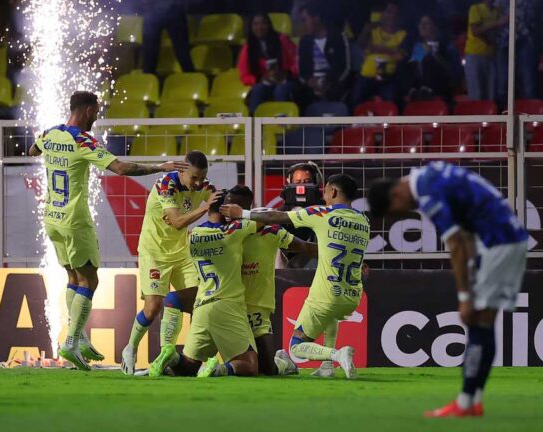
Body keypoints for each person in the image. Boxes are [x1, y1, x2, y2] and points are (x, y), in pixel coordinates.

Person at [28, 91, 188, 370]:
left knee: (73, 277)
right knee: (89, 281)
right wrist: (159, 167)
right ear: (88, 109)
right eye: (97, 110)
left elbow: (32, 151)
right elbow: (121, 168)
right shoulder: (83, 140)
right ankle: (71, 341)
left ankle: (79, 339)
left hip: (51, 217)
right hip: (74, 220)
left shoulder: (50, 133)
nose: (97, 116)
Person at [367, 162, 528, 417]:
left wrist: (464, 296)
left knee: (479, 322)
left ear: (395, 195)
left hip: (499, 243)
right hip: (503, 239)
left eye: (395, 212)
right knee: (482, 323)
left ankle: (466, 403)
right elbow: (465, 231)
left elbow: (455, 244)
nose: (402, 214)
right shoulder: (432, 174)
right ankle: (473, 400)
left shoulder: (427, 190)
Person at [221, 174, 368, 380]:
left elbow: (278, 217)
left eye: (325, 190)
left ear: (333, 192)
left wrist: (243, 213)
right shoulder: (363, 221)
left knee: (296, 347)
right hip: (352, 294)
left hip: (326, 293)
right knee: (331, 316)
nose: (323, 195)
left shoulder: (322, 213)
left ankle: (336, 355)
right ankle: (327, 367)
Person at [120, 151, 219, 375]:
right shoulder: (166, 184)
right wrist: (204, 208)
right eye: (194, 178)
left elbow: (217, 206)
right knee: (153, 306)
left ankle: (191, 356)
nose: (198, 183)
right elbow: (176, 222)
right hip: (154, 253)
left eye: (202, 178)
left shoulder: (205, 187)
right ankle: (131, 347)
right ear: (182, 170)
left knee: (198, 301)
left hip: (183, 253)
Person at [148, 193, 264, 378]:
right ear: (226, 209)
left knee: (188, 366)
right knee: (250, 365)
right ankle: (218, 369)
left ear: (208, 208)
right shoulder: (234, 231)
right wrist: (242, 212)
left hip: (201, 307)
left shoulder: (194, 235)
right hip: (227, 305)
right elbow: (264, 221)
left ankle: (173, 356)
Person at [226, 185, 316, 376]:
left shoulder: (271, 231)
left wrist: (341, 254)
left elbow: (305, 247)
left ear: (245, 208)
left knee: (267, 369)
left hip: (258, 307)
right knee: (243, 366)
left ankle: (283, 362)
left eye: (233, 205)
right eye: (226, 203)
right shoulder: (224, 232)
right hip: (230, 306)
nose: (228, 209)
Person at [350, 2, 408, 108]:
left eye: (395, 14)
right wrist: (366, 30)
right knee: (355, 100)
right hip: (366, 75)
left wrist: (376, 48)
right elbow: (361, 45)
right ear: (383, 14)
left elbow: (399, 56)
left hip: (388, 77)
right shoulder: (374, 31)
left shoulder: (402, 34)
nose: (391, 16)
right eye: (389, 12)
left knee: (390, 100)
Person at [238, 13, 298, 115]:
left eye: (263, 24)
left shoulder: (282, 39)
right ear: (251, 27)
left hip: (287, 79)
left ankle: (283, 122)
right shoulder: (248, 46)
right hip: (265, 82)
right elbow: (244, 74)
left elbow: (297, 62)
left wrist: (286, 74)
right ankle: (254, 123)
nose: (259, 27)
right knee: (257, 90)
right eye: (255, 24)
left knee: (280, 90)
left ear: (269, 25)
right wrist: (260, 79)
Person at [294, 3, 352, 109]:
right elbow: (302, 71)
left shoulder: (337, 37)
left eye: (305, 20)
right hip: (311, 85)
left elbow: (345, 68)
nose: (303, 25)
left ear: (316, 18)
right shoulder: (304, 41)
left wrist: (326, 82)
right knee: (297, 94)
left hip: (333, 84)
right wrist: (309, 81)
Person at [403, 15, 462, 103]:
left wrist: (436, 56)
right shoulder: (418, 46)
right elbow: (416, 71)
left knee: (428, 60)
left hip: (442, 86)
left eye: (426, 23)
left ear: (435, 27)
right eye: (420, 23)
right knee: (403, 63)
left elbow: (454, 73)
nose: (422, 26)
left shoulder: (448, 46)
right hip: (420, 88)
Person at [464, 0, 506, 101]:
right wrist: (498, 23)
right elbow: (475, 30)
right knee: (476, 93)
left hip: (492, 56)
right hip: (475, 55)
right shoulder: (475, 8)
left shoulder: (498, 11)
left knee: (491, 94)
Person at [140, 0, 194, 75]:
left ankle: (191, 79)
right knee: (149, 54)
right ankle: (148, 81)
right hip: (153, 10)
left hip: (172, 9)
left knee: (182, 52)